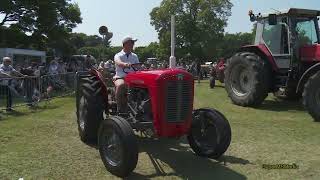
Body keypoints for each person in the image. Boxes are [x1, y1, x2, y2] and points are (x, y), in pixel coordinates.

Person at [113, 36, 139, 113]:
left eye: (133, 43)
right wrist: (125, 64)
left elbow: (138, 66)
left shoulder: (134, 56)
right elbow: (118, 62)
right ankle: (120, 109)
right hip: (121, 77)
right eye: (132, 43)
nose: (133, 44)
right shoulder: (118, 55)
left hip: (133, 77)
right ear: (126, 44)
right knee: (121, 85)